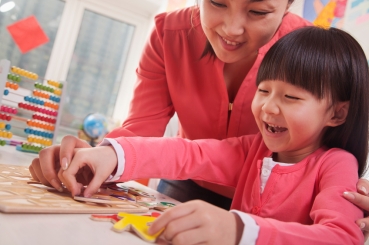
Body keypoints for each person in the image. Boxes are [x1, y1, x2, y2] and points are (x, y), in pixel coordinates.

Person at [44, 26, 369, 244]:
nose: (268, 108)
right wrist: (112, 154)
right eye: (264, 90)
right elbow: (187, 154)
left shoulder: (337, 165)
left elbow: (341, 237)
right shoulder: (252, 150)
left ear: (337, 113)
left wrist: (239, 229)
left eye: (291, 98)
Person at [29, 0, 311, 210]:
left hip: (274, 200)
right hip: (187, 180)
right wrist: (94, 160)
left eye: (258, 11)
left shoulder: (313, 54)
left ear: (287, 6)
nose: (231, 28)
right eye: (217, 2)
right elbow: (141, 129)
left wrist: (346, 188)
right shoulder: (169, 34)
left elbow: (330, 150)